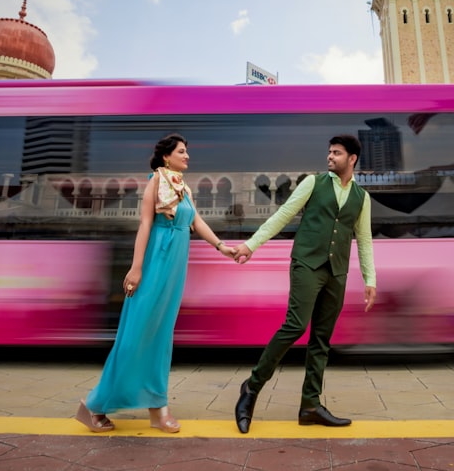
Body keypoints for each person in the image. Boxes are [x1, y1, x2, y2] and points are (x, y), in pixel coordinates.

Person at [76, 133, 236, 433]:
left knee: (161, 337)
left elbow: (196, 221)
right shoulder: (155, 182)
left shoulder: (183, 186)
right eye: (182, 151)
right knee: (137, 335)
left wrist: (221, 247)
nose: (188, 156)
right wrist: (136, 269)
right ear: (167, 156)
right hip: (155, 264)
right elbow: (145, 225)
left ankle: (157, 408)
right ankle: (95, 405)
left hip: (175, 266)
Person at [232, 134, 377, 433]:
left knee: (322, 339)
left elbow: (364, 240)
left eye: (336, 153)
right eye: (329, 152)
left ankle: (310, 404)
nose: (330, 157)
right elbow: (284, 215)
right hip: (307, 264)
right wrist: (251, 244)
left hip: (336, 272)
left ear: (352, 159)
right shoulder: (313, 183)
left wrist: (369, 279)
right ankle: (251, 388)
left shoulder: (363, 198)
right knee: (296, 326)